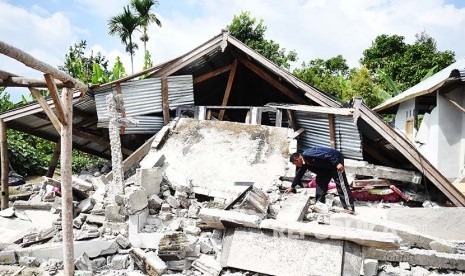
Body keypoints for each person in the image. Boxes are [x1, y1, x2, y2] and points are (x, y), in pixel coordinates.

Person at [285, 146, 355, 214]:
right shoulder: (304, 163)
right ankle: (319, 204)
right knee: (320, 181)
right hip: (325, 168)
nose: (295, 166)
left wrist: (337, 163)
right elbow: (299, 174)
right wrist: (292, 186)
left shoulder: (307, 154)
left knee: (341, 183)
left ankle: (349, 208)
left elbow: (326, 154)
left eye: (294, 164)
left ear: (297, 160)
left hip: (335, 160)